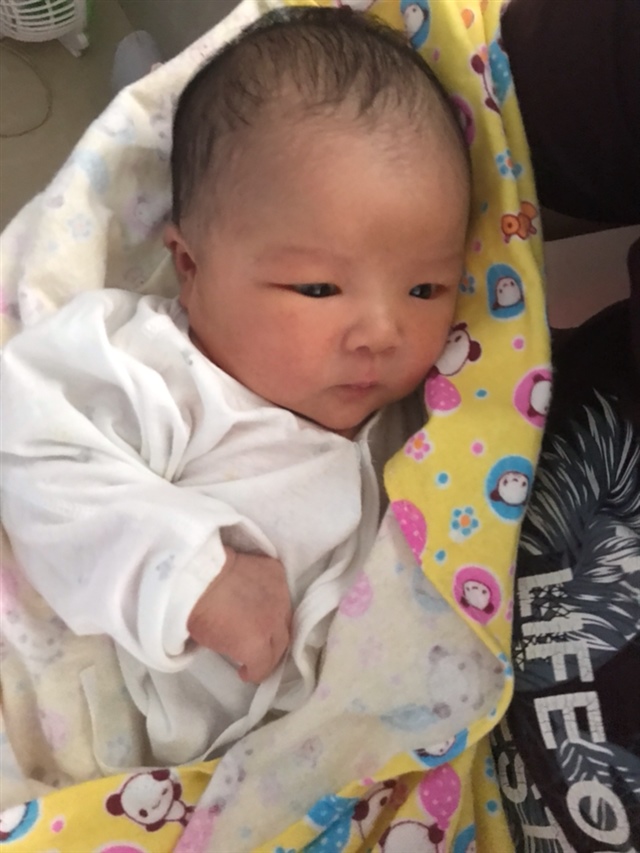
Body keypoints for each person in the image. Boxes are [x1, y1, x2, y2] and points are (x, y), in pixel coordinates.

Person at [0, 7, 470, 765]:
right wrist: (190, 574)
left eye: (426, 289)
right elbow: (34, 446)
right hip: (147, 748)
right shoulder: (158, 367)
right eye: (318, 288)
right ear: (190, 267)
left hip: (332, 759)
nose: (383, 332)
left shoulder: (421, 422)